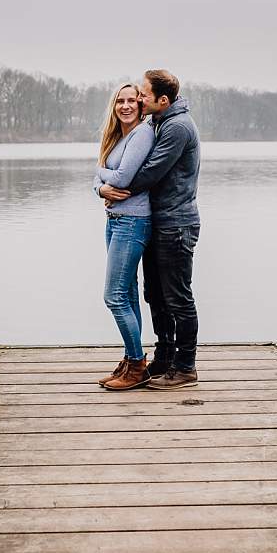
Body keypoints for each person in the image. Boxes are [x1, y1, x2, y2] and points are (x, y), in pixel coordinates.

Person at [100, 68, 201, 390]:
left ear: (162, 99)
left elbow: (148, 174)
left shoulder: (177, 127)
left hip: (177, 223)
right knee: (154, 296)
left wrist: (114, 188)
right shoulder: (157, 122)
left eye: (142, 95)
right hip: (157, 221)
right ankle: (163, 358)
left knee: (178, 298)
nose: (138, 100)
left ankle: (185, 367)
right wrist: (103, 185)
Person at [92, 83, 156, 390]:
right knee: (127, 294)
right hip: (114, 220)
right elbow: (100, 175)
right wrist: (101, 188)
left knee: (113, 296)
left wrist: (103, 182)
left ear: (141, 105)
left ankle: (137, 365)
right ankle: (132, 362)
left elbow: (123, 178)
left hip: (132, 222)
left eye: (132, 100)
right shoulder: (116, 136)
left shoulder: (143, 133)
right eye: (121, 100)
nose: (126, 105)